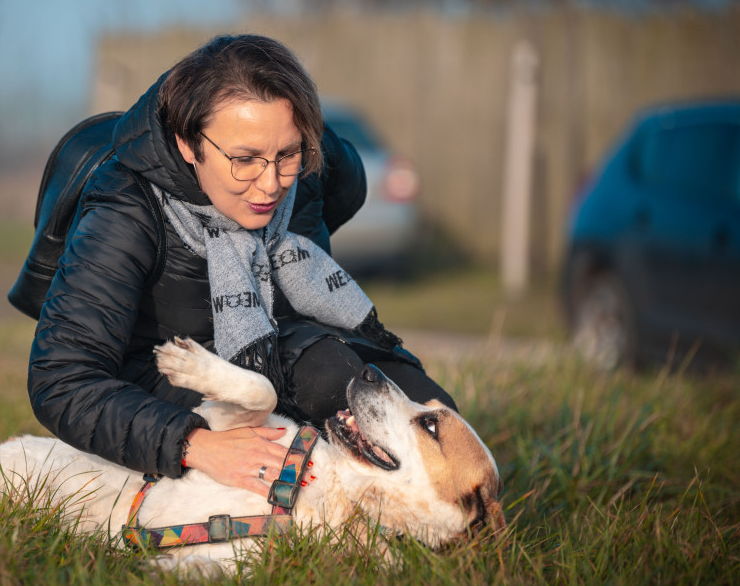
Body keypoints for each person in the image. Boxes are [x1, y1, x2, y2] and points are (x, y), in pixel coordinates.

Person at [28, 34, 457, 497]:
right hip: (167, 377)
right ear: (188, 144)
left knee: (437, 416)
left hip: (289, 347)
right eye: (244, 160)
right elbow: (62, 379)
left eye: (288, 155)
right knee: (332, 382)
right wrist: (196, 444)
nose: (271, 185)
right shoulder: (124, 210)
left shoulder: (309, 171)